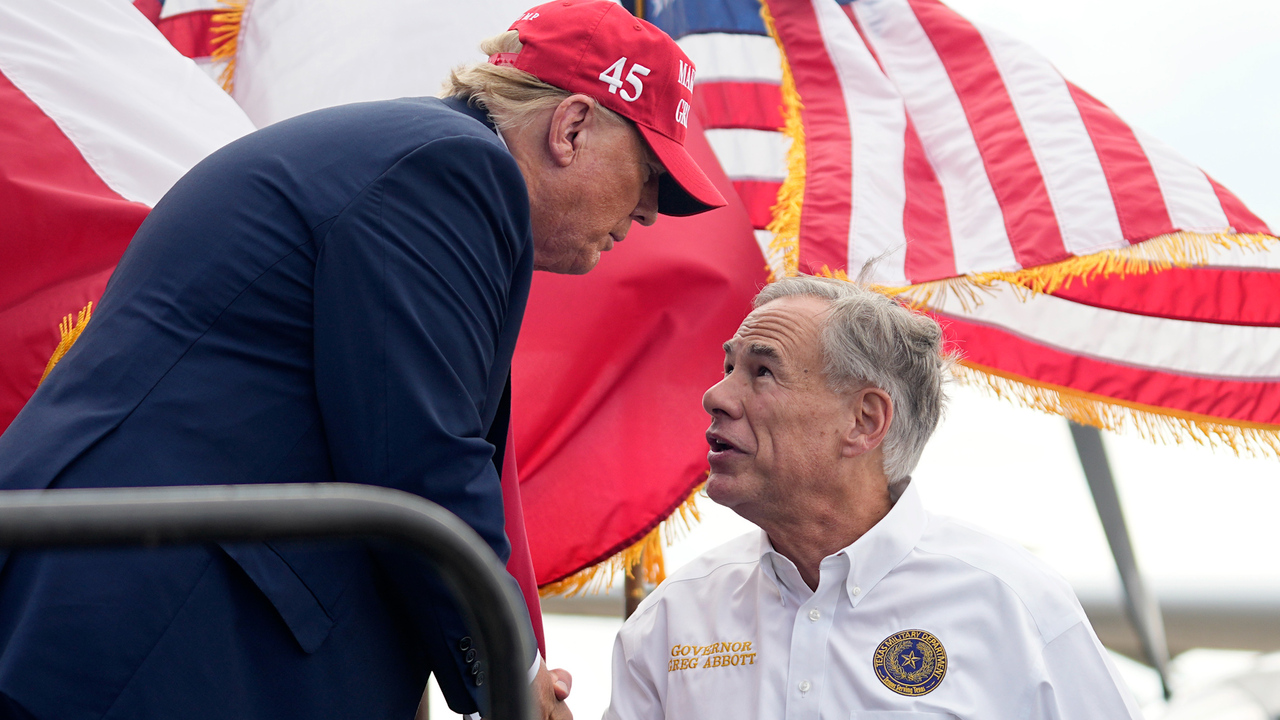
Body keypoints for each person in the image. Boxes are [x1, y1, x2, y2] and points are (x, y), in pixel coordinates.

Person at [0, 2, 724, 719]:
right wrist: (511, 671)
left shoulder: (408, 152)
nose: (651, 215)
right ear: (571, 128)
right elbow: (422, 454)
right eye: (651, 175)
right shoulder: (452, 167)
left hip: (133, 609)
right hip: (150, 629)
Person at [604, 276, 1144, 719]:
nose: (716, 396)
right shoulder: (672, 618)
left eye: (762, 372)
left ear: (864, 421)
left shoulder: (1014, 604)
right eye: (729, 368)